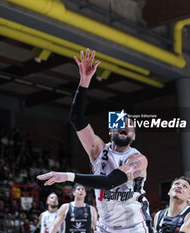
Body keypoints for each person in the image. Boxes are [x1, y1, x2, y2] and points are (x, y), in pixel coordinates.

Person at [37, 49, 152, 233]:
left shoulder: (138, 159)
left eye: (129, 126)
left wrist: (68, 176)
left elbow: (110, 181)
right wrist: (84, 81)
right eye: (120, 124)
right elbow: (77, 119)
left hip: (134, 227)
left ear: (134, 136)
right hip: (105, 227)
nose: (124, 127)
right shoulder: (98, 149)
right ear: (110, 130)